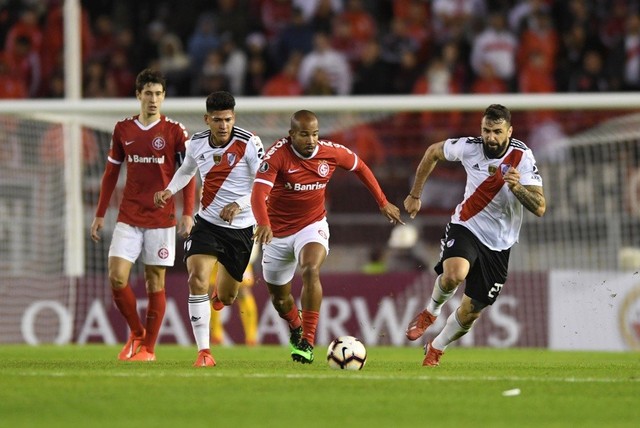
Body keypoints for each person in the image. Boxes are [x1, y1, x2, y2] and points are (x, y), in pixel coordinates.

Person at [251, 110, 403, 364]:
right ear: (291, 135)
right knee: (280, 299)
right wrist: (263, 223)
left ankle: (307, 341)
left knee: (311, 269)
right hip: (276, 233)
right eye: (304, 135)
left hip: (312, 225)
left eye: (314, 134)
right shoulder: (276, 156)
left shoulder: (330, 152)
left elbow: (361, 166)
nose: (311, 140)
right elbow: (257, 194)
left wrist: (383, 201)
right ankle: (295, 324)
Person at [403, 104, 546, 366]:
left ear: (509, 132)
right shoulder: (470, 147)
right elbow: (432, 152)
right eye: (486, 130)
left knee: (471, 312)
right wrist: (415, 194)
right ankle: (430, 313)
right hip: (467, 225)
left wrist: (517, 188)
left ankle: (435, 347)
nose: (490, 137)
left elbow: (539, 207)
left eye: (497, 132)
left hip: (500, 244)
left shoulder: (522, 157)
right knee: (454, 274)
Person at [90, 68, 196, 362]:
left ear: (164, 97)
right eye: (148, 93)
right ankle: (136, 333)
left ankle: (148, 349)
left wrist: (188, 213)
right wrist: (100, 214)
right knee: (117, 277)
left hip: (161, 219)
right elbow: (111, 173)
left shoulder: (174, 131)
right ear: (138, 95)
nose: (153, 99)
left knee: (154, 283)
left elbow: (187, 174)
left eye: (158, 94)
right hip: (128, 216)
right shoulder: (123, 129)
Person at [154, 91, 264, 367]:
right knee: (197, 278)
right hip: (208, 224)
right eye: (217, 120)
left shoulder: (250, 143)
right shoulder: (195, 144)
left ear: (233, 118)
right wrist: (169, 190)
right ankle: (204, 352)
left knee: (228, 296)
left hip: (242, 228)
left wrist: (239, 204)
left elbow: (264, 181)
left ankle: (219, 296)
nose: (223, 125)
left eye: (227, 119)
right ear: (207, 120)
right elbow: (187, 170)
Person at [209, 243, 259, 346]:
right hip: (217, 248)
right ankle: (216, 335)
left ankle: (251, 337)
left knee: (243, 291)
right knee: (213, 290)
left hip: (239, 247)